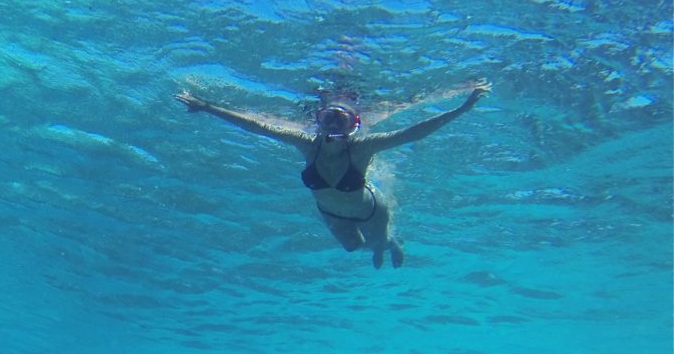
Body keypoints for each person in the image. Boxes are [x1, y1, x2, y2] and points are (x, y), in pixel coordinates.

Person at [175, 81, 491, 268]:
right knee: (352, 247)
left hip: (370, 210)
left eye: (341, 120)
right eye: (328, 118)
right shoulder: (305, 144)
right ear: (319, 121)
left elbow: (414, 132)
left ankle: (390, 244)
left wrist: (462, 109)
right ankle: (381, 246)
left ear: (354, 124)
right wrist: (204, 106)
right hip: (331, 214)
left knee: (378, 243)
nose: (334, 125)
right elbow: (255, 126)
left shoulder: (364, 147)